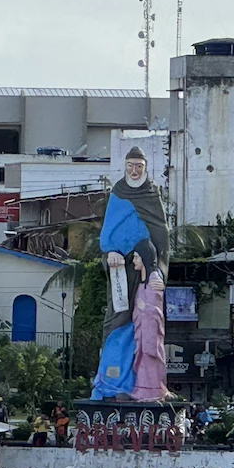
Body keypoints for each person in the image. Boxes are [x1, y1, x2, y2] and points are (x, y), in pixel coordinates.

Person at [92, 147, 170, 399]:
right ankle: (112, 381)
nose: (134, 171)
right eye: (130, 166)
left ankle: (141, 383)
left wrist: (157, 270)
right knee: (118, 318)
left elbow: (161, 235)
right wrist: (110, 252)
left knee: (145, 323)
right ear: (125, 167)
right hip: (120, 269)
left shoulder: (151, 195)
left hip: (145, 270)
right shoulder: (118, 193)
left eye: (139, 166)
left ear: (145, 168)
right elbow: (108, 231)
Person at [129, 248, 170, 402]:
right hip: (141, 329)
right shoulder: (142, 281)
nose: (134, 261)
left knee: (150, 358)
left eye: (137, 257)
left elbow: (156, 311)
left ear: (145, 258)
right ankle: (142, 389)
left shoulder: (154, 280)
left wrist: (144, 308)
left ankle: (154, 390)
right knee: (141, 360)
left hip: (150, 330)